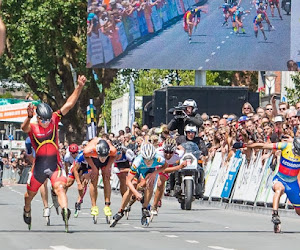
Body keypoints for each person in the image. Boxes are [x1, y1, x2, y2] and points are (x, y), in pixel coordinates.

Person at [21, 75, 86, 232]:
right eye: (44, 120)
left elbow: (69, 105)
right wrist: (28, 118)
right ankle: (27, 209)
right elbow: (24, 128)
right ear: (38, 118)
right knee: (29, 196)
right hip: (38, 168)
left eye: (49, 119)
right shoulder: (33, 127)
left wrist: (79, 87)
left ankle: (64, 210)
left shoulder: (55, 119)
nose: (47, 122)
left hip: (54, 165)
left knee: (60, 188)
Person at [234, 137, 300, 233]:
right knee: (279, 189)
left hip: (293, 183)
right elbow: (263, 145)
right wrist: (244, 145)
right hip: (280, 179)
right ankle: (275, 214)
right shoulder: (285, 146)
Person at [110, 143, 168, 227]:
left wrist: (155, 173)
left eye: (151, 159)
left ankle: (144, 208)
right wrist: (136, 193)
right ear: (142, 157)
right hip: (138, 170)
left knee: (150, 184)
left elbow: (165, 166)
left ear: (154, 157)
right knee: (132, 186)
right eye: (146, 159)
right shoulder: (137, 161)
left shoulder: (159, 159)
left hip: (150, 170)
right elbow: (128, 182)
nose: (148, 161)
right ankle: (120, 211)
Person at [83, 137, 117, 223]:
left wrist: (108, 167)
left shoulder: (112, 150)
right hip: (93, 159)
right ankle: (94, 206)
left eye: (104, 157)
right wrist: (94, 168)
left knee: (106, 178)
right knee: (94, 178)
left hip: (107, 159)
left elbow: (113, 156)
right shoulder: (89, 149)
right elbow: (86, 156)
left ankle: (107, 204)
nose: (102, 159)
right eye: (101, 157)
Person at [151, 138, 186, 217]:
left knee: (161, 183)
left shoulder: (179, 154)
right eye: (166, 152)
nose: (168, 155)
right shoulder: (158, 153)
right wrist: (179, 167)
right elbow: (163, 170)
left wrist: (180, 147)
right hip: (158, 162)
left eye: (171, 152)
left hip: (168, 164)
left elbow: (183, 150)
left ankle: (154, 206)